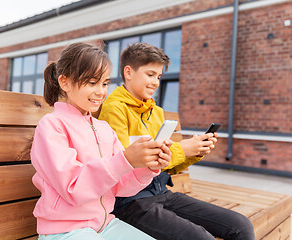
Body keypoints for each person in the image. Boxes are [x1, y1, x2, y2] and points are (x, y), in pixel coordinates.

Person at [98, 42, 255, 240]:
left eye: (159, 76)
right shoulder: (114, 109)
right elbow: (125, 167)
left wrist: (195, 151)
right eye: (150, 74)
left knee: (241, 226)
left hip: (161, 191)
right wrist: (183, 149)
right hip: (131, 201)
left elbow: (167, 166)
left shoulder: (156, 112)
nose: (156, 82)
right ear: (128, 72)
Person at [30, 42, 173, 240]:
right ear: (65, 82)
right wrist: (125, 160)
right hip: (64, 230)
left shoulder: (103, 128)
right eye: (91, 83)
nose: (100, 92)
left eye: (104, 83)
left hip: (104, 225)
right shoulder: (52, 126)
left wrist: (147, 166)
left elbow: (121, 187)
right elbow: (73, 188)